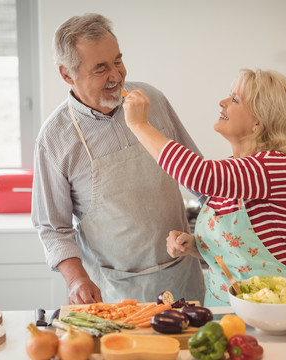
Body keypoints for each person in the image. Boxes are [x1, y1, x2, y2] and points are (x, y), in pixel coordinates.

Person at [31, 13, 206, 305]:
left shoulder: (152, 100)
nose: (116, 75)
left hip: (181, 279)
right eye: (100, 69)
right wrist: (77, 280)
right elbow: (53, 229)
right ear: (66, 74)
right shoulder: (54, 139)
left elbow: (200, 179)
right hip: (114, 292)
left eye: (118, 61)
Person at [123, 68, 286, 306]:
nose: (222, 103)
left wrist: (140, 125)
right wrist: (196, 246)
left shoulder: (276, 166)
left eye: (234, 99)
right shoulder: (236, 170)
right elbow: (240, 257)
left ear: (258, 121)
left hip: (277, 310)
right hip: (225, 310)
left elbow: (197, 174)